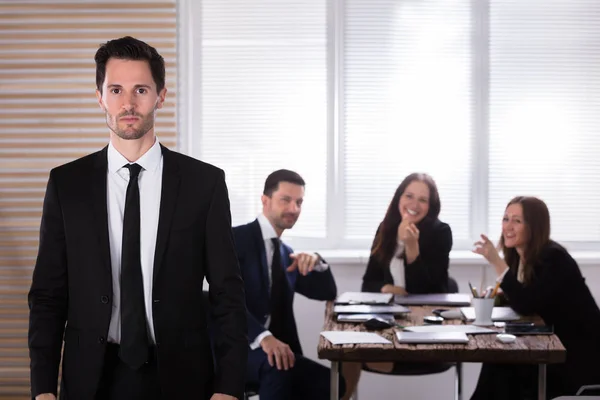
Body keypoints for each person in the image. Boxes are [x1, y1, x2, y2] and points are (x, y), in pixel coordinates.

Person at [27, 36, 247, 400]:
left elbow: (228, 293)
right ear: (100, 97)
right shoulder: (67, 184)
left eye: (140, 89)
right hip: (90, 378)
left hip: (182, 377)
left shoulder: (204, 184)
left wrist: (228, 388)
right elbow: (48, 295)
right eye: (115, 89)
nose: (128, 103)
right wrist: (43, 389)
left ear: (161, 95)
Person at [471, 196, 600, 399]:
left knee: (502, 365)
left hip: (573, 357)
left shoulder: (554, 258)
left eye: (517, 221)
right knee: (498, 360)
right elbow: (529, 301)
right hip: (548, 345)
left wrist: (496, 262)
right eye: (506, 219)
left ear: (534, 227)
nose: (508, 226)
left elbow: (526, 303)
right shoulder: (519, 258)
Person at [233, 169, 346, 400]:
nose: (294, 209)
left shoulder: (286, 254)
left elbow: (327, 292)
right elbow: (223, 299)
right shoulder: (235, 239)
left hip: (277, 348)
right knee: (279, 368)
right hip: (237, 346)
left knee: (333, 384)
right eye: (286, 200)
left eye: (299, 202)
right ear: (265, 200)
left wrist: (317, 260)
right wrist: (263, 337)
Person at [342, 172, 453, 400]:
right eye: (409, 196)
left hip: (425, 335)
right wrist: (386, 289)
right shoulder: (385, 228)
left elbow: (431, 291)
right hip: (388, 327)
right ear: (399, 198)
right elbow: (368, 283)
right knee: (344, 350)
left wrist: (412, 247)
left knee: (350, 354)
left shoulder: (441, 232)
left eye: (423, 200)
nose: (414, 204)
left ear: (431, 206)